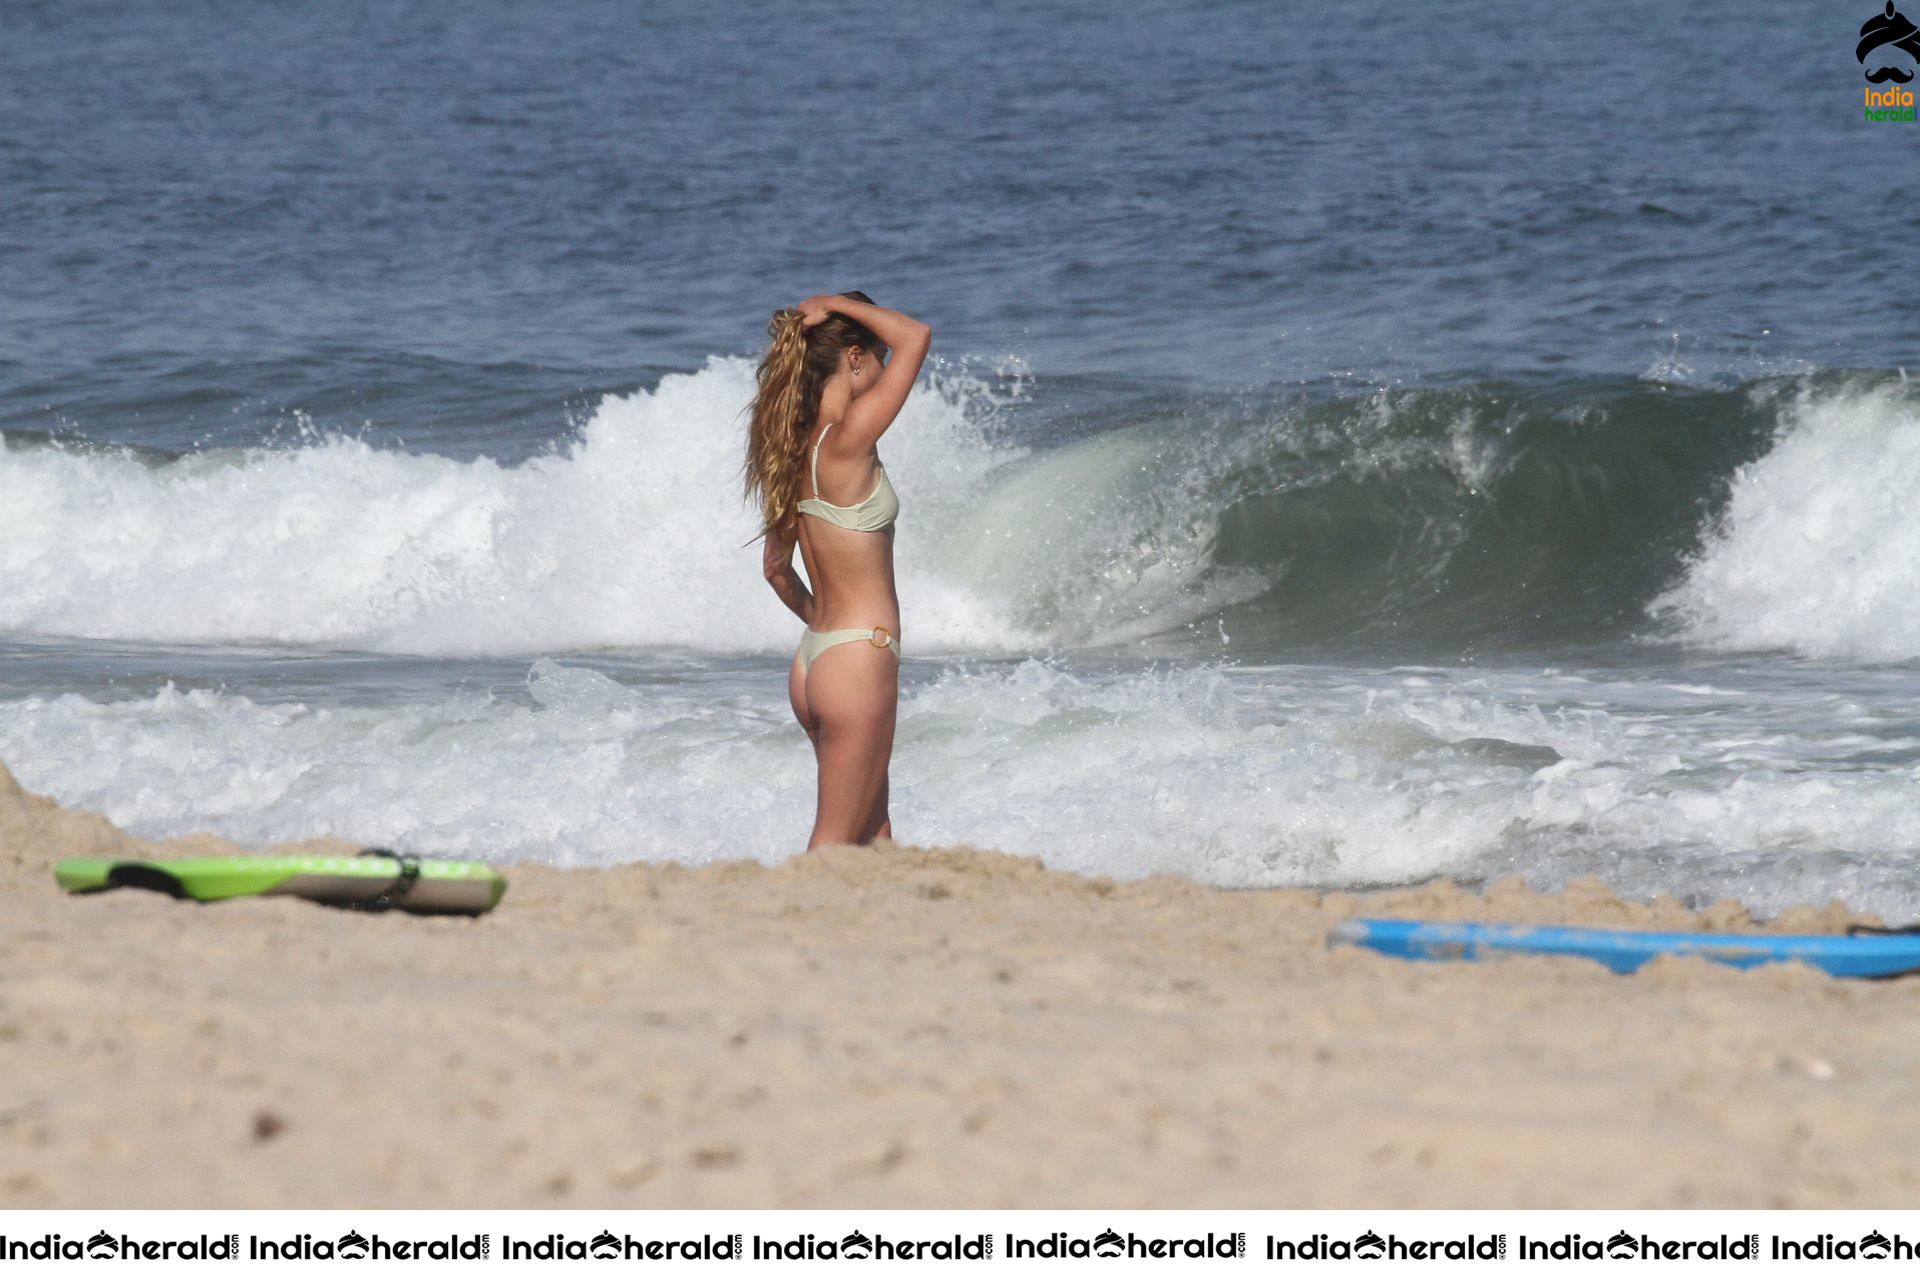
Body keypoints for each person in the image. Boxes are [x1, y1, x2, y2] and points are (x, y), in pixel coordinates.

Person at [744, 291, 932, 847]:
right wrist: (828, 302)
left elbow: (776, 570)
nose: (880, 366)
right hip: (856, 661)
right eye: (873, 356)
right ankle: (778, 931)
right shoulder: (847, 441)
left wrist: (830, 634)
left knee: (875, 838)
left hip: (814, 662)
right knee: (832, 848)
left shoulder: (790, 452)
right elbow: (916, 336)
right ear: (854, 357)